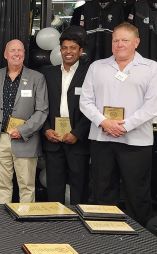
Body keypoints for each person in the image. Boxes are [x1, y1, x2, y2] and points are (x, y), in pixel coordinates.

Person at [79, 22, 157, 226]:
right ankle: (103, 235)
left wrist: (124, 126)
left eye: (125, 40)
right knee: (102, 190)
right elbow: (85, 102)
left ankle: (140, 239)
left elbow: (152, 106)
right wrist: (104, 122)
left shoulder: (152, 68)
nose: (119, 44)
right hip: (101, 139)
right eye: (115, 40)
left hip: (137, 142)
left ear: (137, 42)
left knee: (137, 192)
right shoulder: (97, 67)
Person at [0, 39, 48, 204]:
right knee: (2, 186)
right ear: (5, 54)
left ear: (24, 54)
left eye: (20, 50)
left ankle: (26, 226)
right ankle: (6, 226)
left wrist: (23, 130)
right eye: (13, 50)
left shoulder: (37, 78)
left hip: (25, 139)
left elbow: (42, 110)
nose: (16, 54)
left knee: (26, 186)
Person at [41, 27, 91, 205]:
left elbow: (93, 108)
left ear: (80, 50)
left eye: (73, 48)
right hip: (53, 138)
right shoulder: (48, 73)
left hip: (78, 140)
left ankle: (79, 226)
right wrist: (46, 130)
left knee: (79, 186)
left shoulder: (89, 73)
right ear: (60, 50)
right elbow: (40, 106)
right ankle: (56, 226)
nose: (68, 51)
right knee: (54, 186)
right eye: (65, 48)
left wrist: (77, 133)